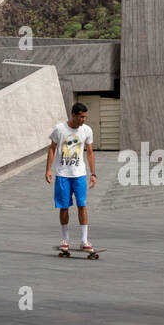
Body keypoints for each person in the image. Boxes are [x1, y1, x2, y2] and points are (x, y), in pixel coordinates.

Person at [45, 102, 96, 253]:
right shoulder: (60, 129)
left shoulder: (87, 130)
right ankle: (64, 240)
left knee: (82, 205)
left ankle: (84, 240)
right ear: (73, 115)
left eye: (85, 117)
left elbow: (90, 153)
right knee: (64, 207)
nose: (84, 120)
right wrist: (48, 170)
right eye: (81, 117)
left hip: (79, 175)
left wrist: (93, 174)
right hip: (63, 175)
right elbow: (52, 149)